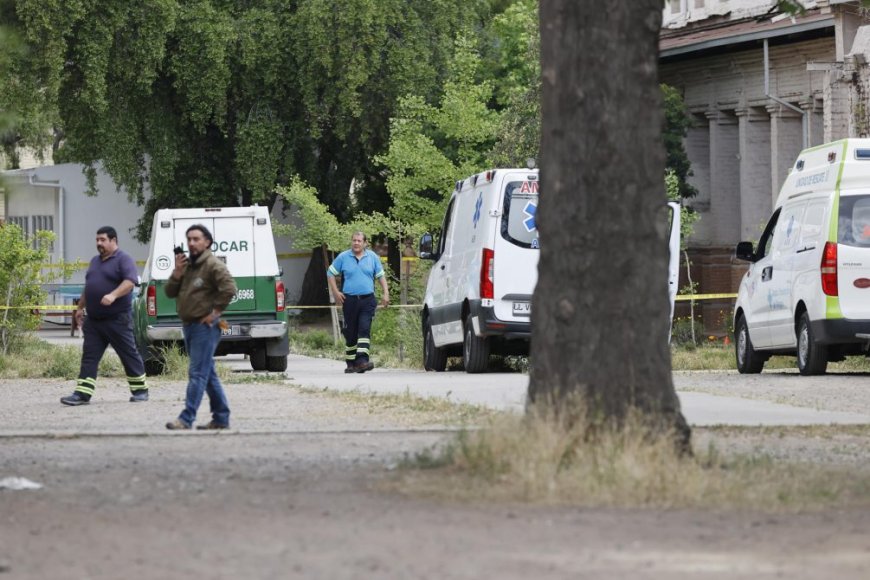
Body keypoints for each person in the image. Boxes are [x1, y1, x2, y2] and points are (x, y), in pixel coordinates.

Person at [61, 226, 149, 406]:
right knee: (89, 357)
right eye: (97, 240)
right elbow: (89, 286)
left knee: (129, 354)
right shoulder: (95, 261)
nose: (98, 243)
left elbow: (130, 282)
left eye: (102, 239)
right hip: (94, 322)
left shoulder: (123, 259)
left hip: (117, 319)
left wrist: (113, 295)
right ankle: (82, 394)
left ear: (113, 240)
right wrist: (79, 308)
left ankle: (140, 391)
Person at [164, 224, 237, 430]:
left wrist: (215, 313)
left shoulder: (213, 265)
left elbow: (229, 289)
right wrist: (177, 272)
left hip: (206, 327)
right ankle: (221, 418)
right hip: (190, 326)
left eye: (196, 239)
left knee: (197, 373)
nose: (192, 243)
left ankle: (186, 419)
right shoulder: (188, 266)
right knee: (208, 374)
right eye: (189, 239)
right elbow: (169, 292)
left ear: (207, 242)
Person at [327, 231, 390, 373]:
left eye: (359, 241)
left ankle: (362, 361)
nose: (356, 243)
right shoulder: (343, 257)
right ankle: (351, 363)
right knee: (351, 332)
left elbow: (381, 276)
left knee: (364, 329)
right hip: (349, 301)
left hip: (367, 300)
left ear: (365, 243)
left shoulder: (373, 257)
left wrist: (386, 293)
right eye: (354, 240)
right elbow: (330, 273)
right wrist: (336, 293)